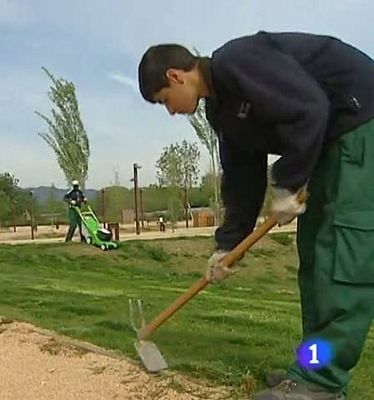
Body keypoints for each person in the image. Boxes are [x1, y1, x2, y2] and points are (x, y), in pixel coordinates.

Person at [138, 31, 374, 400]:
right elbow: (242, 180)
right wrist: (227, 246)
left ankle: (322, 383)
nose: (170, 111)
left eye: (164, 101)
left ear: (175, 76)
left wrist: (288, 181)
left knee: (340, 259)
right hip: (328, 142)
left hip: (361, 128)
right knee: (314, 260)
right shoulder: (222, 110)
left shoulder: (238, 61)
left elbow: (310, 108)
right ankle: (310, 367)